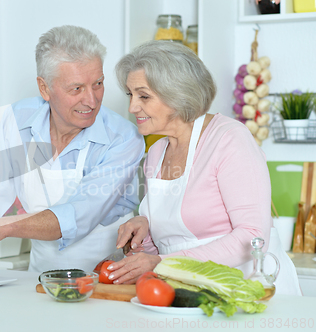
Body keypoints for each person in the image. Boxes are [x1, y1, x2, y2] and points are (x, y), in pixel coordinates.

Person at [0, 25, 145, 273]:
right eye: (76, 88)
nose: (92, 100)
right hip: (37, 278)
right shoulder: (18, 119)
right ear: (44, 88)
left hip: (106, 278)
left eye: (98, 83)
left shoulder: (122, 137)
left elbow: (79, 214)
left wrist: (0, 227)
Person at [106, 40, 301, 295]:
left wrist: (163, 264)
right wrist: (145, 234)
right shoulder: (156, 152)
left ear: (176, 94)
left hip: (248, 290)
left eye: (144, 96)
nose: (132, 107)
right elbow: (172, 242)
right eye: (130, 95)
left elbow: (253, 236)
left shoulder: (229, 139)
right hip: (191, 291)